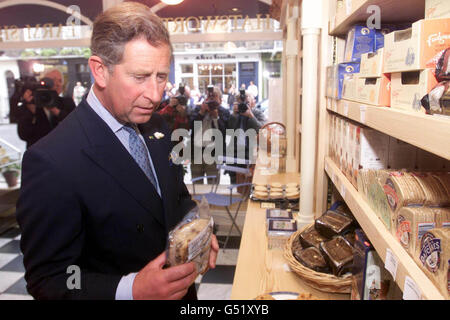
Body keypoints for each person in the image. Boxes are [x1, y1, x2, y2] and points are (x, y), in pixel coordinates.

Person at [16, 2, 218, 300]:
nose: (155, 94)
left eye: (161, 76)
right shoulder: (51, 161)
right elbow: (50, 280)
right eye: (139, 77)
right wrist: (131, 289)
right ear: (100, 70)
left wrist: (197, 231)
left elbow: (176, 199)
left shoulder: (157, 126)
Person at [16, 68, 76, 149]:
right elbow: (24, 135)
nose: (57, 84)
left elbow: (74, 127)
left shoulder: (67, 102)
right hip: (39, 154)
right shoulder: (31, 104)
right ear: (42, 82)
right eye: (53, 80)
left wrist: (55, 110)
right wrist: (31, 112)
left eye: (60, 81)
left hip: (63, 151)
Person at [189, 86, 230, 185]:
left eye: (214, 96)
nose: (211, 99)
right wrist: (201, 113)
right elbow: (191, 126)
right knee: (197, 186)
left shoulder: (224, 112)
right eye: (209, 96)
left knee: (213, 187)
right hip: (197, 153)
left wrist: (216, 118)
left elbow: (225, 132)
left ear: (220, 100)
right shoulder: (198, 109)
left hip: (214, 154)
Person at [226, 91, 262, 184]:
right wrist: (234, 114)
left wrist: (251, 116)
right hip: (234, 155)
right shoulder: (234, 115)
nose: (243, 105)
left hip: (249, 156)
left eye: (246, 102)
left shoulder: (257, 113)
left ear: (252, 102)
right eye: (240, 103)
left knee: (248, 186)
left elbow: (262, 131)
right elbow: (229, 132)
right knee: (234, 187)